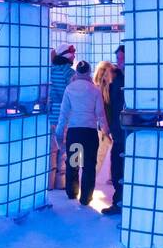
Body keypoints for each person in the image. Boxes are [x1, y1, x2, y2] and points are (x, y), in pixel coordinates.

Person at [55, 59, 108, 207]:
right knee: (89, 165)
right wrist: (106, 130)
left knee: (73, 163)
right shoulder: (95, 90)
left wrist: (59, 133)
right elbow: (100, 114)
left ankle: (72, 192)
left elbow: (64, 113)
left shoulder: (69, 89)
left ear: (77, 72)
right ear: (89, 71)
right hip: (90, 133)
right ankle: (86, 198)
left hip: (75, 132)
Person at [102, 45, 127, 216]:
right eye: (118, 59)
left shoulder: (138, 77)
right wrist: (110, 126)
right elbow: (108, 104)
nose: (119, 62)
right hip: (119, 131)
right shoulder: (116, 79)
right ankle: (118, 202)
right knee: (118, 167)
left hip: (133, 131)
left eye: (122, 58)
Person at [48, 44, 76, 189]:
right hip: (65, 117)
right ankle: (61, 183)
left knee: (51, 152)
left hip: (50, 115)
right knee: (63, 152)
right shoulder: (70, 73)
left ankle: (49, 184)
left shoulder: (49, 71)